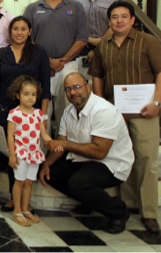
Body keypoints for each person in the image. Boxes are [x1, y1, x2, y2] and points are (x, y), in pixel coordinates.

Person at [89, 1, 161, 234]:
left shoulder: (148, 42)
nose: (119, 21)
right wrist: (101, 103)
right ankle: (127, 206)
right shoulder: (104, 45)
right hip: (115, 113)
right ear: (109, 21)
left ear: (133, 20)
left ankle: (149, 213)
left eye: (124, 17)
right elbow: (97, 75)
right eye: (114, 17)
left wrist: (157, 103)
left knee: (146, 158)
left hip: (144, 112)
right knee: (121, 158)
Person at [40, 72, 134, 234]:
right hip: (83, 159)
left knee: (78, 183)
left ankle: (119, 212)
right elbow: (60, 144)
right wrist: (46, 164)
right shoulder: (69, 111)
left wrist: (64, 143)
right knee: (52, 173)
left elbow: (99, 152)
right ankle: (88, 200)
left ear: (88, 87)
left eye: (77, 87)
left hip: (111, 164)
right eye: (68, 89)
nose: (73, 92)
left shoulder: (104, 111)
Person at [0, 16, 51, 202]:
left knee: (29, 153)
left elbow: (45, 87)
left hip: (32, 112)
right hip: (5, 110)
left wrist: (44, 116)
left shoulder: (39, 52)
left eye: (24, 29)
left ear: (29, 31)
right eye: (15, 29)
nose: (19, 32)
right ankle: (12, 198)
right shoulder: (1, 54)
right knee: (12, 152)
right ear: (10, 32)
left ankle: (25, 202)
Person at [24, 0, 88, 124]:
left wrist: (61, 61)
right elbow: (26, 39)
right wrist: (48, 61)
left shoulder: (76, 7)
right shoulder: (32, 9)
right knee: (41, 112)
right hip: (39, 65)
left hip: (68, 66)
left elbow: (82, 39)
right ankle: (43, 147)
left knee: (67, 109)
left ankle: (64, 145)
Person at [6, 76, 53, 226]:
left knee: (29, 182)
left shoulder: (38, 114)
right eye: (26, 94)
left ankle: (26, 209)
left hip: (34, 153)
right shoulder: (14, 113)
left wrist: (49, 141)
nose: (30, 97)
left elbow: (43, 133)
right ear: (18, 95)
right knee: (19, 182)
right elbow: (10, 135)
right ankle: (17, 211)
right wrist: (12, 155)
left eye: (33, 94)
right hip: (20, 153)